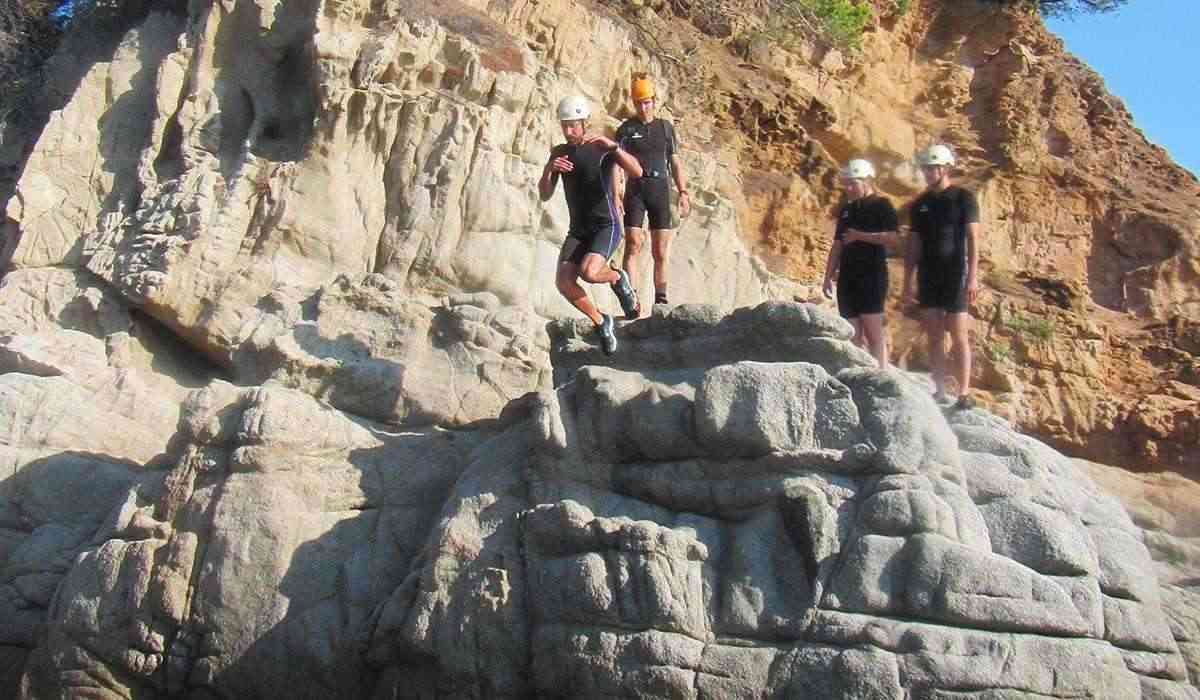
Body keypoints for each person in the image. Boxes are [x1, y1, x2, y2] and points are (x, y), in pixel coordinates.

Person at [540, 95, 643, 355]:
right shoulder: (560, 153)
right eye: (564, 125)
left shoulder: (600, 146)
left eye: (573, 124)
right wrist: (550, 169)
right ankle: (601, 321)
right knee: (563, 282)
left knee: (589, 272)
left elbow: (637, 171)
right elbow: (544, 193)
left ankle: (619, 278)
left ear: (584, 122)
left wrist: (615, 148)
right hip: (579, 230)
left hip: (606, 225)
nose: (568, 130)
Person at [902, 144, 981, 408]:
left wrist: (973, 277)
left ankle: (964, 393)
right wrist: (907, 282)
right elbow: (914, 245)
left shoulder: (963, 198)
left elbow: (973, 239)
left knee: (958, 335)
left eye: (932, 167)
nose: (927, 172)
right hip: (928, 274)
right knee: (935, 335)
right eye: (925, 168)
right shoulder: (920, 204)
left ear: (945, 168)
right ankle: (939, 390)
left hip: (955, 273)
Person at [616, 74, 690, 310]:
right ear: (633, 103)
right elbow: (617, 164)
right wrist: (617, 192)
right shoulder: (626, 129)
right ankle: (632, 299)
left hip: (661, 188)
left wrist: (684, 191)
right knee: (633, 243)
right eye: (638, 103)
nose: (643, 107)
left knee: (660, 249)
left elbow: (675, 162)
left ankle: (660, 298)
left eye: (647, 102)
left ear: (654, 101)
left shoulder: (665, 128)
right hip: (636, 188)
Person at [821, 158, 898, 367]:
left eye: (852, 183)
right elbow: (837, 244)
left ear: (866, 181)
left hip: (872, 275)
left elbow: (892, 238)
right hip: (848, 276)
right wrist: (827, 277)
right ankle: (859, 377)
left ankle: (880, 377)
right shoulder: (847, 210)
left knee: (873, 331)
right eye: (846, 183)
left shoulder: (882, 205)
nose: (848, 188)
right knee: (851, 332)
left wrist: (860, 236)